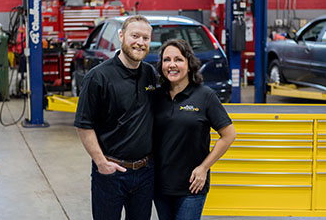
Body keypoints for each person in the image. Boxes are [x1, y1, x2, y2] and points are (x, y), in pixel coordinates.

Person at [74, 15, 156, 220]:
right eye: (135, 36)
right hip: (110, 173)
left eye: (145, 38)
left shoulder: (149, 73)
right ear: (121, 36)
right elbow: (84, 125)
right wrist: (101, 162)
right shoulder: (98, 76)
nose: (140, 42)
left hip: (145, 173)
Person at [153, 39, 236, 220]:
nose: (172, 65)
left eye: (178, 59)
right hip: (160, 185)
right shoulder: (157, 96)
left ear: (189, 64)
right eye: (167, 60)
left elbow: (229, 135)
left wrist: (204, 168)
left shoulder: (205, 96)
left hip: (192, 185)